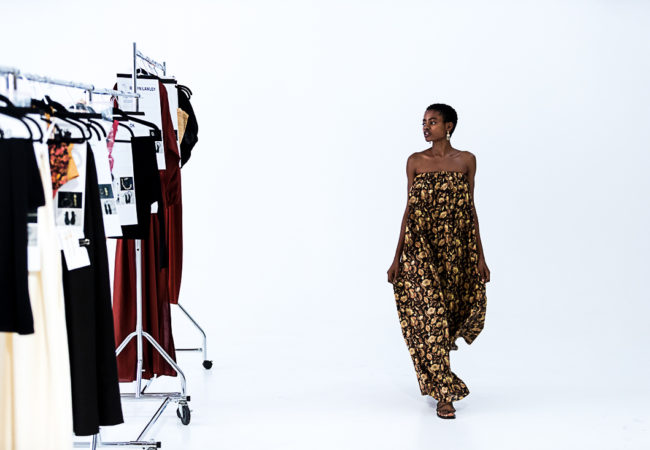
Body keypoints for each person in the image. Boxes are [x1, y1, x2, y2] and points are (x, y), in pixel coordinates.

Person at [387, 103, 489, 419]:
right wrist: (396, 257)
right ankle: (445, 396)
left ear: (449, 126)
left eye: (433, 121)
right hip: (419, 248)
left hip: (455, 250)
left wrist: (481, 257)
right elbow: (409, 209)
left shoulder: (467, 161)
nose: (426, 127)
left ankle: (437, 377)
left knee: (445, 319)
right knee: (429, 315)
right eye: (423, 122)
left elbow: (470, 209)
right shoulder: (415, 162)